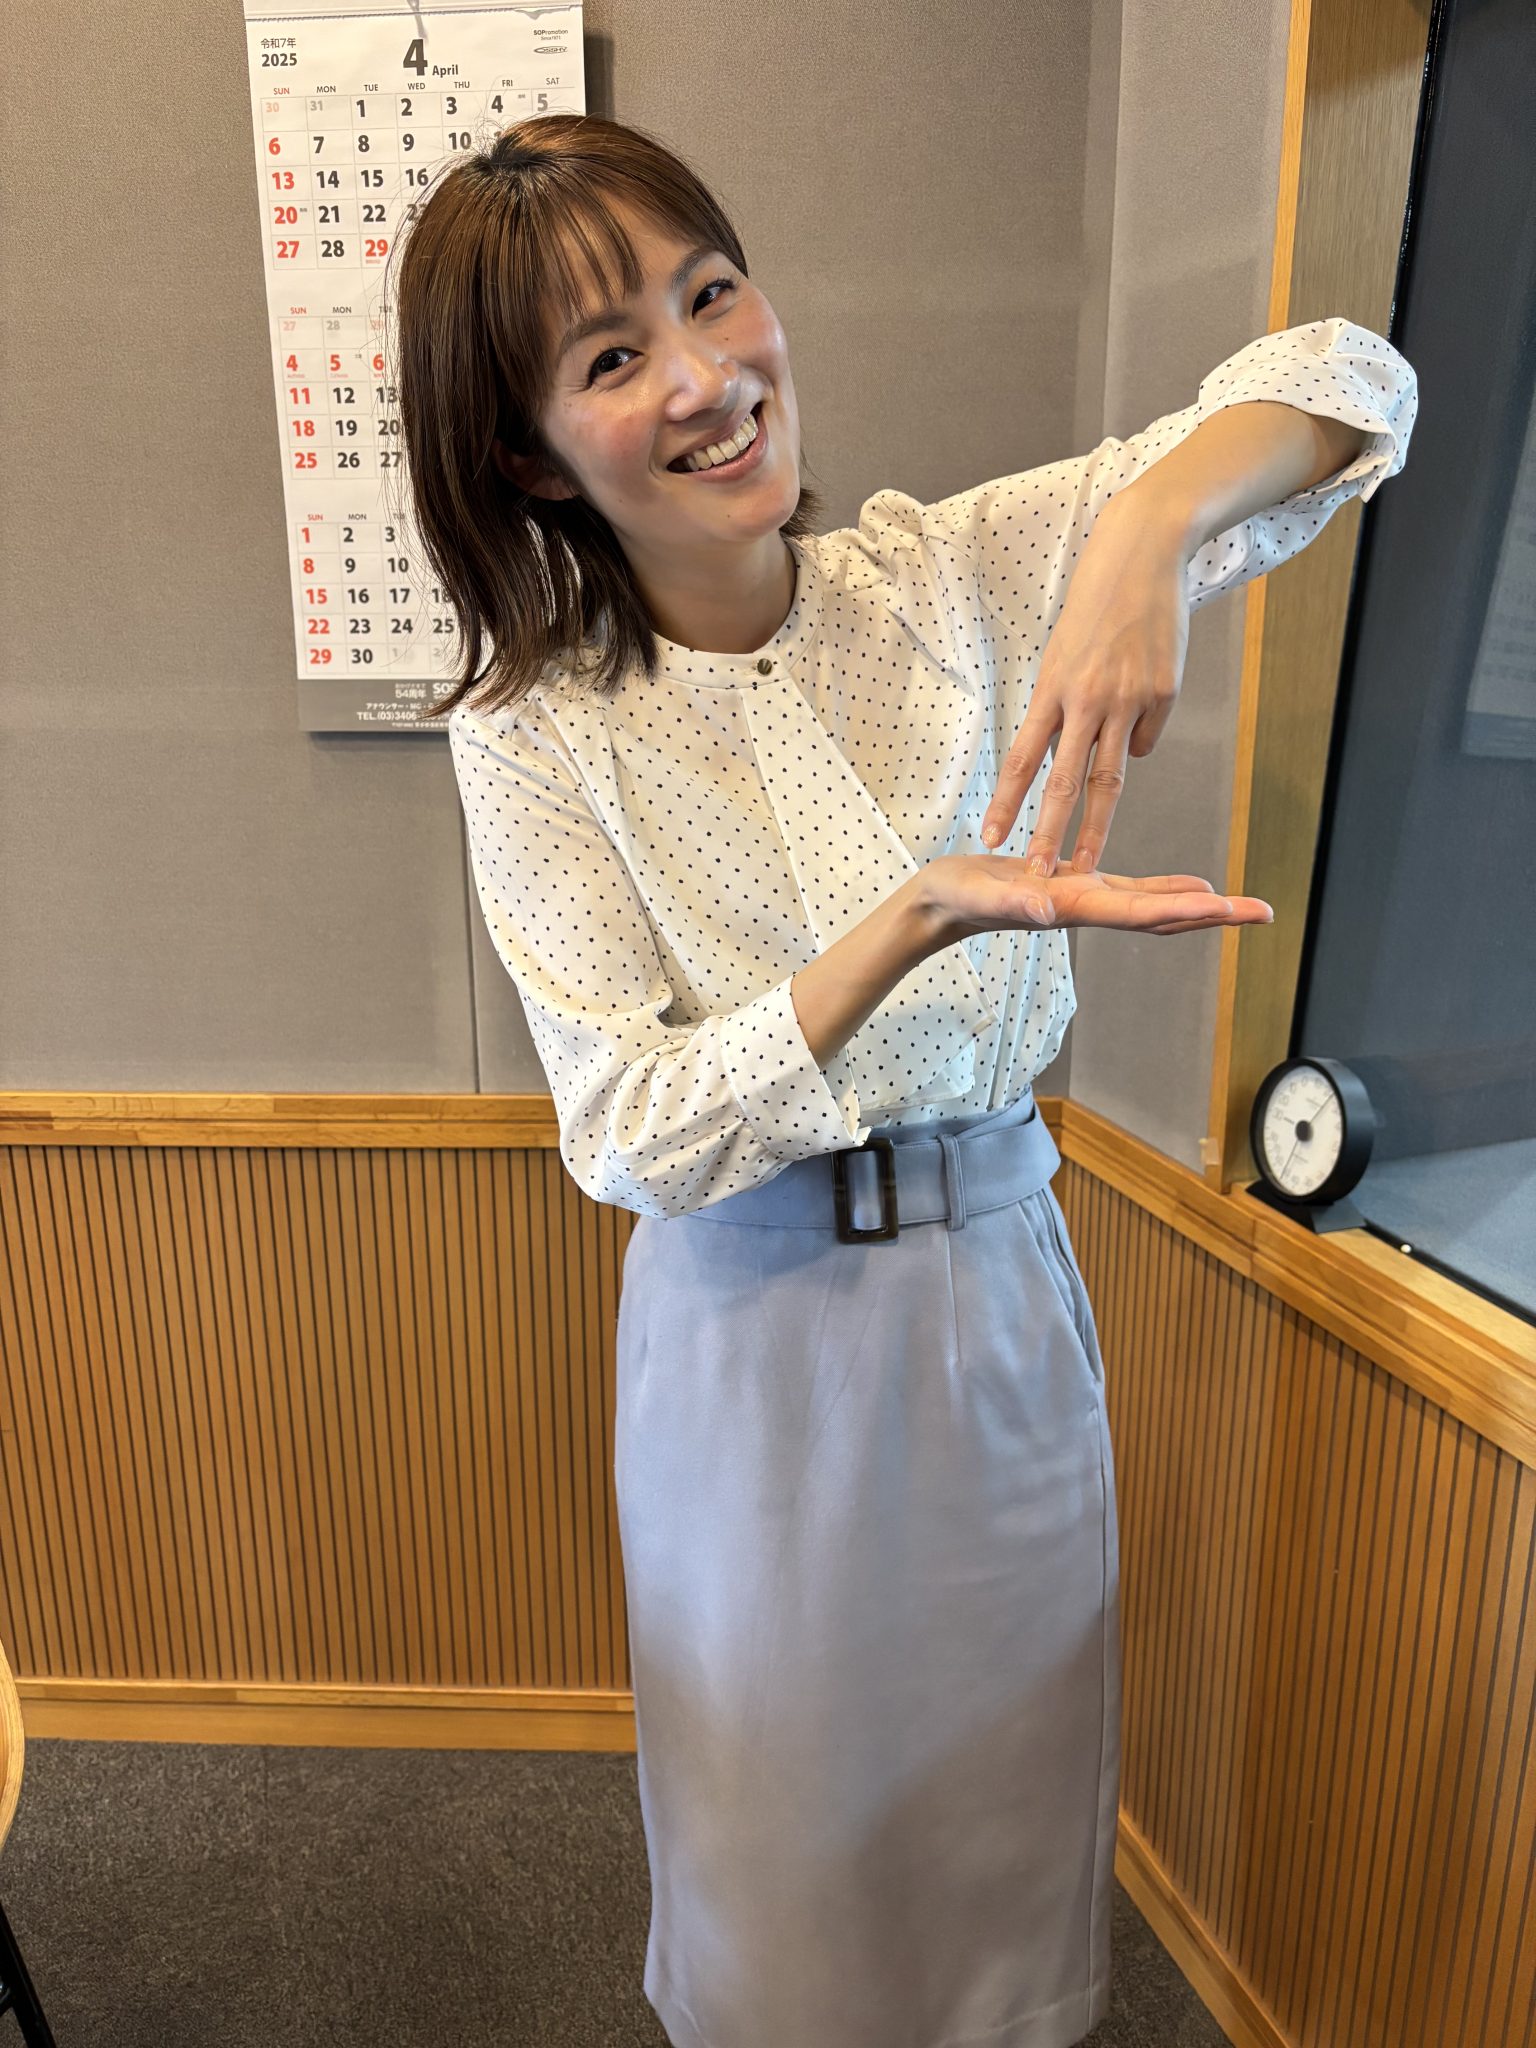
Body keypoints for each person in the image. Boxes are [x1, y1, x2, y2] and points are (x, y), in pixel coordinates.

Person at [392, 114, 1417, 2048]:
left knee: (999, 1859)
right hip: (746, 1339)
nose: (707, 377)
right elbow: (625, 1127)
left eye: (714, 293)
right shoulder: (536, 729)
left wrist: (1146, 532)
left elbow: (1354, 382)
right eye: (614, 356)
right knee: (782, 1883)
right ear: (530, 455)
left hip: (995, 1294)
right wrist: (915, 918)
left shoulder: (953, 572)